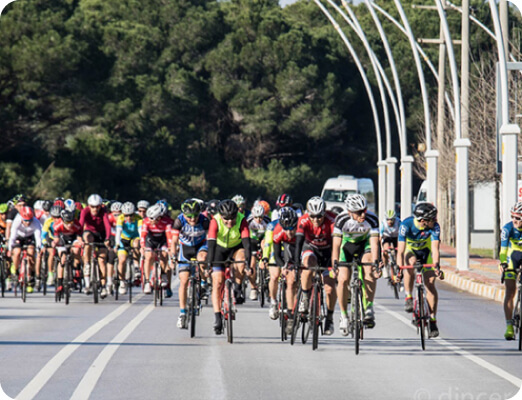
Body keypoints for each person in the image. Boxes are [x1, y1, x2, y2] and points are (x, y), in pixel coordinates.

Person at [331, 194, 380, 334]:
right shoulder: (341, 220)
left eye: (364, 210)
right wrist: (335, 264)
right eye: (359, 212)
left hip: (364, 245)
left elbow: (375, 243)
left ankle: (369, 306)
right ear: (349, 212)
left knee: (369, 268)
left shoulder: (372, 218)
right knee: (343, 279)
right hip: (346, 247)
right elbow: (336, 245)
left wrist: (376, 264)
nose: (363, 214)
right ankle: (344, 315)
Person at [397, 202, 443, 338]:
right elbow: (400, 251)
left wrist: (436, 265)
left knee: (430, 284)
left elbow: (435, 249)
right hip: (411, 251)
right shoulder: (406, 225)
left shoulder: (434, 227)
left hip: (426, 252)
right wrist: (399, 270)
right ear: (423, 220)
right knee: (410, 264)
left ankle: (433, 320)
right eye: (432, 219)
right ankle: (409, 296)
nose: (435, 221)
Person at [206, 200, 251, 334]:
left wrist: (248, 264)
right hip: (219, 249)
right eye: (226, 219)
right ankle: (217, 316)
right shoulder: (215, 221)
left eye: (232, 218)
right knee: (218, 281)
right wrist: (209, 264)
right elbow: (211, 245)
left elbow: (247, 244)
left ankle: (237, 287)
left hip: (236, 247)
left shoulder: (242, 220)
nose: (230, 222)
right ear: (221, 216)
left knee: (241, 259)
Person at [294, 196, 337, 335]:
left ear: (324, 213)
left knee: (330, 288)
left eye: (320, 216)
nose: (316, 220)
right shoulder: (304, 220)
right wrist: (296, 263)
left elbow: (338, 244)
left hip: (328, 252)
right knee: (307, 267)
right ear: (308, 214)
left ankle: (329, 319)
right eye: (313, 216)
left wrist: (336, 264)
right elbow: (299, 242)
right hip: (310, 248)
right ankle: (305, 297)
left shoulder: (332, 220)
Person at [171, 199, 210, 329]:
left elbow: (211, 238)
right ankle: (182, 313)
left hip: (201, 246)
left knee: (202, 258)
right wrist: (172, 256)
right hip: (186, 249)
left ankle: (204, 282)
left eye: (195, 216)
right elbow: (174, 241)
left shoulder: (204, 220)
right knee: (183, 281)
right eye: (189, 216)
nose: (192, 219)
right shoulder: (179, 220)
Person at [270, 207, 299, 331]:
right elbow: (276, 255)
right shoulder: (278, 231)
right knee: (286, 277)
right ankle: (275, 302)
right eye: (286, 229)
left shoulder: (300, 231)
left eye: (292, 228)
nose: (289, 232)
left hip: (299, 247)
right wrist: (283, 266)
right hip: (285, 250)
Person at [80, 194, 112, 298]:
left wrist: (107, 238)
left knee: (102, 260)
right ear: (89, 206)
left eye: (97, 206)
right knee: (88, 239)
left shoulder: (103, 211)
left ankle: (103, 286)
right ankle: (87, 265)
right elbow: (81, 224)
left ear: (100, 206)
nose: (95, 209)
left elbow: (107, 225)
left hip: (101, 234)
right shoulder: (85, 211)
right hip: (90, 232)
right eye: (92, 207)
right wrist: (79, 238)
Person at [499, 202, 522, 340]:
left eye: (518, 218)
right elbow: (503, 250)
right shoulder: (507, 228)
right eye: (513, 217)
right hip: (511, 258)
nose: (515, 220)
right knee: (510, 290)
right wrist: (503, 263)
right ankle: (509, 326)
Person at [140, 203, 173, 295]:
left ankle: (163, 275)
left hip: (162, 240)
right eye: (149, 218)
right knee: (149, 256)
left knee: (164, 255)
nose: (150, 220)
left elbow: (169, 236)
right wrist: (142, 247)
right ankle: (147, 281)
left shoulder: (166, 222)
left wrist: (170, 248)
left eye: (152, 219)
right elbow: (143, 235)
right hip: (151, 240)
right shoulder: (146, 221)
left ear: (159, 218)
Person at [8, 206, 42, 293]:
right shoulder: (17, 221)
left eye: (30, 220)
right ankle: (15, 270)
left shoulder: (36, 222)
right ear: (22, 218)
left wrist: (39, 248)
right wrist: (10, 248)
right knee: (17, 252)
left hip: (30, 237)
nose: (28, 222)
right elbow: (12, 237)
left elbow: (38, 237)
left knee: (31, 253)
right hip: (19, 237)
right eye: (25, 220)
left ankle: (31, 276)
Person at [52, 210, 83, 296]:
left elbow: (79, 238)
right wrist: (54, 243)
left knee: (76, 250)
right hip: (62, 240)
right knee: (62, 259)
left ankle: (76, 269)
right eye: (67, 222)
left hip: (73, 238)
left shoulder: (77, 225)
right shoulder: (57, 225)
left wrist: (80, 243)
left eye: (71, 222)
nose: (69, 225)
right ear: (62, 221)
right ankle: (60, 282)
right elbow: (56, 239)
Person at [114, 202, 142, 295]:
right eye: (126, 216)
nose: (129, 218)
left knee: (137, 243)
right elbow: (118, 232)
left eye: (131, 215)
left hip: (135, 238)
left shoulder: (138, 218)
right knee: (122, 260)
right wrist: (117, 244)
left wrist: (142, 244)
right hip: (124, 239)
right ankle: (122, 282)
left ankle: (136, 266)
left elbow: (141, 232)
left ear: (134, 213)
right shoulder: (120, 218)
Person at [246, 202, 270, 301]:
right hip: (252, 242)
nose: (259, 220)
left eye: (261, 217)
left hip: (263, 241)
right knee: (251, 264)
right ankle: (253, 288)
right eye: (256, 217)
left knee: (265, 245)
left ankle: (267, 275)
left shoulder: (268, 222)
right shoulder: (249, 222)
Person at [380, 209, 401, 278]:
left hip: (396, 236)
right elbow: (380, 237)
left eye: (392, 219)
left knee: (398, 251)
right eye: (388, 219)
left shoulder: (398, 222)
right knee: (385, 251)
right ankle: (385, 267)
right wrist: (381, 248)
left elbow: (402, 235)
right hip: (387, 236)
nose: (390, 221)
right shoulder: (383, 223)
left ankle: (398, 266)